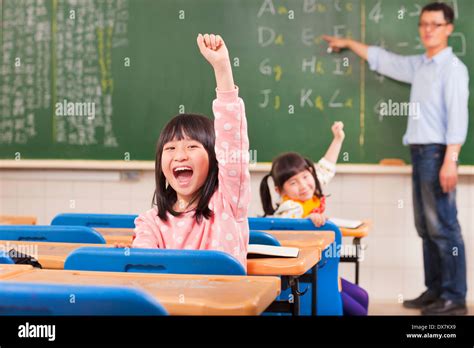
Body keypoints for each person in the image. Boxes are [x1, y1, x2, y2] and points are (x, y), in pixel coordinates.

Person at [324, 2, 468, 315]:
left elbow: (458, 119)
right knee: (426, 226)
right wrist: (349, 43)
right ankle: (435, 290)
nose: (429, 29)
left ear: (449, 29)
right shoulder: (421, 65)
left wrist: (450, 161)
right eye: (424, 24)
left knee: (443, 226)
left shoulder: (452, 69)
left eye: (436, 24)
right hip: (420, 153)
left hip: (438, 152)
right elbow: (383, 59)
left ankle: (454, 297)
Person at [131, 34, 251, 270]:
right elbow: (144, 267)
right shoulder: (151, 222)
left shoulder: (227, 203)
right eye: (171, 148)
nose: (180, 155)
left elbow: (232, 145)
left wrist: (222, 68)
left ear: (215, 158)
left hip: (221, 306)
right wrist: (132, 257)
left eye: (192, 147)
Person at [260, 123, 370, 316]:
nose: (303, 185)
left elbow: (326, 168)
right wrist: (309, 221)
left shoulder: (309, 190)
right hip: (305, 278)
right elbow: (292, 228)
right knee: (358, 310)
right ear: (280, 191)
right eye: (293, 182)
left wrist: (338, 139)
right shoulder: (291, 208)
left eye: (305, 176)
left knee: (362, 296)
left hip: (321, 271)